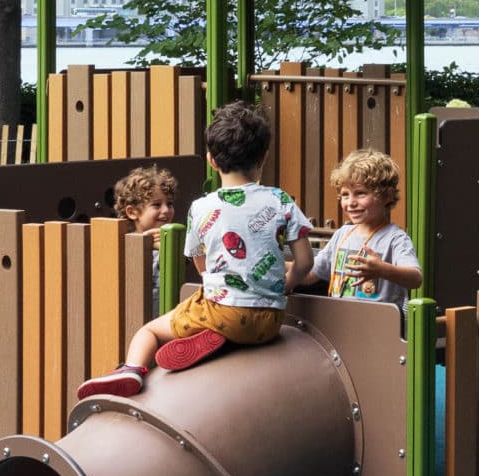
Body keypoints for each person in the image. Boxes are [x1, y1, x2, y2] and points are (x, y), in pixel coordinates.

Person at [78, 102, 311, 399]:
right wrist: (284, 287)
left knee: (148, 331)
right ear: (264, 155)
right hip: (269, 322)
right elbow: (304, 262)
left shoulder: (201, 208)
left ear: (212, 161)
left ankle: (132, 370)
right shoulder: (280, 200)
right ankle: (218, 337)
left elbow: (203, 268)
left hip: (222, 311)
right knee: (226, 313)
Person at [304, 149, 422, 310]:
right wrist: (278, 266)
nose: (350, 202)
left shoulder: (395, 238)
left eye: (360, 193)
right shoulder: (342, 234)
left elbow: (415, 278)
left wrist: (382, 270)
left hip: (377, 325)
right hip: (340, 321)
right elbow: (311, 273)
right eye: (345, 195)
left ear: (387, 196)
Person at [111, 164, 180, 316]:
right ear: (132, 212)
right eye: (156, 205)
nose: (166, 210)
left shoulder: (177, 240)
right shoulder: (123, 245)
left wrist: (167, 249)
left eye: (169, 203)